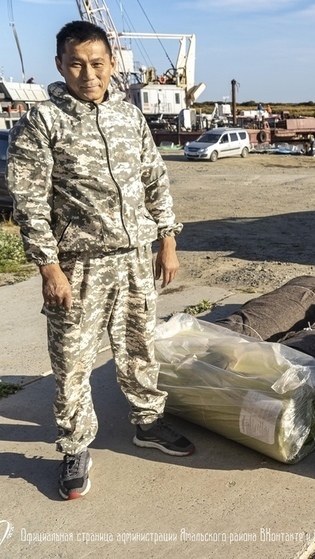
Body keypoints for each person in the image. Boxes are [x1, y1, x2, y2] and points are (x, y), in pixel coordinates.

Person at [7, 20, 195, 501]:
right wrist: (49, 267)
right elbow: (28, 201)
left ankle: (148, 422)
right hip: (79, 265)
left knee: (139, 345)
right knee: (71, 359)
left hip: (135, 257)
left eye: (97, 63)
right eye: (76, 63)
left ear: (113, 63)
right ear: (59, 66)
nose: (88, 73)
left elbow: (155, 178)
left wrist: (167, 239)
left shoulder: (129, 117)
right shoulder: (44, 121)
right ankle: (74, 446)